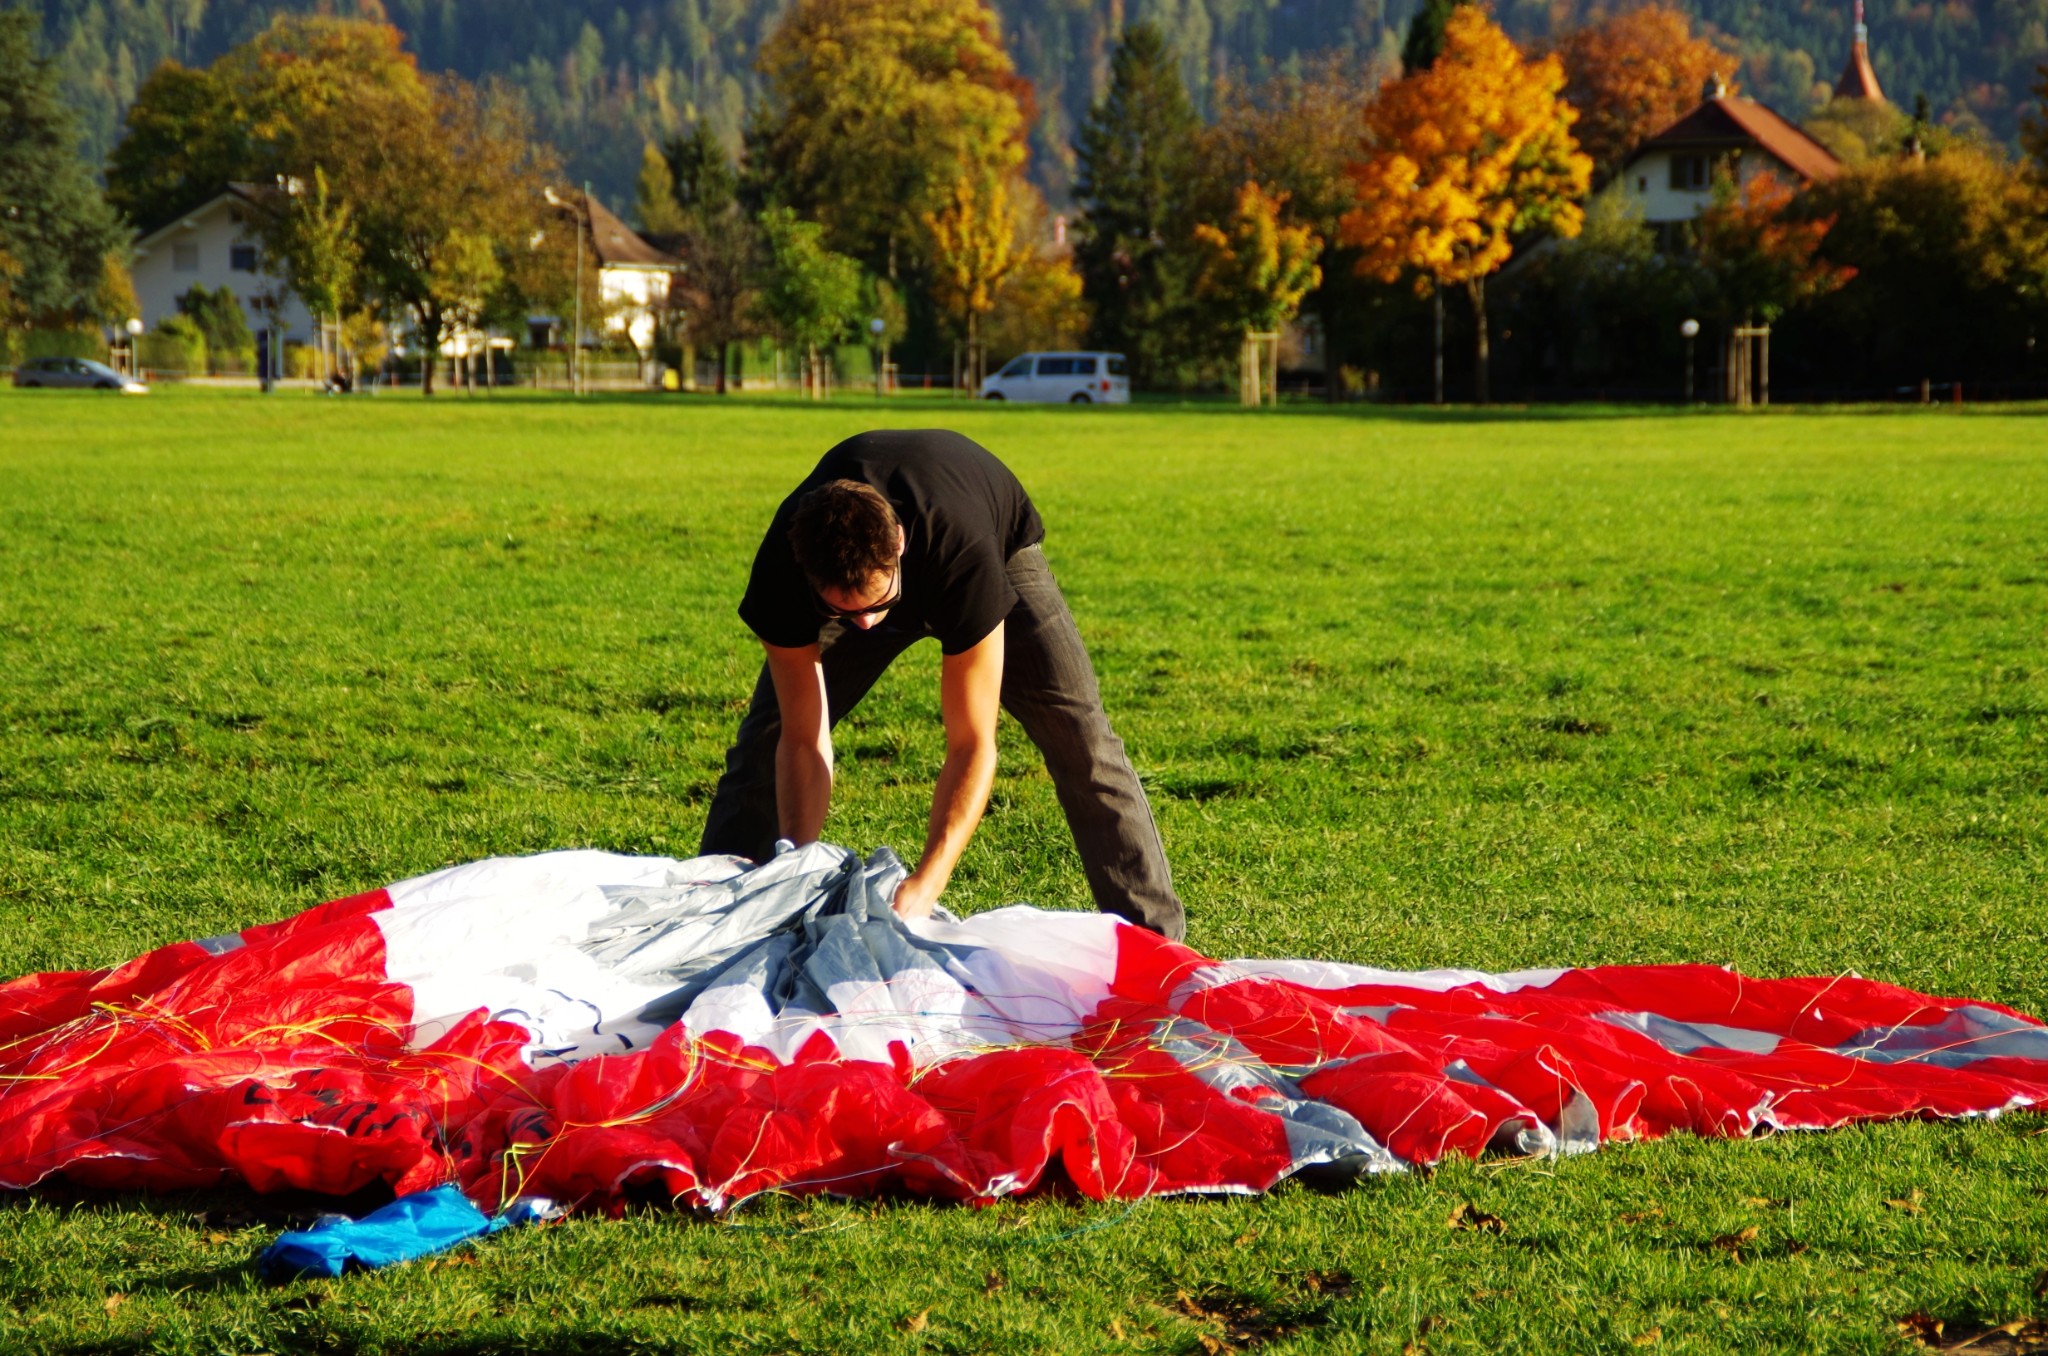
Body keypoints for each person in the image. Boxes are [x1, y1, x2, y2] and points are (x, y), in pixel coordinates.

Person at [700, 428, 1185, 939]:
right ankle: (717, 918)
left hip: (995, 547)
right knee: (764, 743)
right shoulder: (784, 572)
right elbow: (801, 739)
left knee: (1081, 740)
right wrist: (795, 870)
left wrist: (927, 884)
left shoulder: (961, 555)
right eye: (844, 611)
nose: (866, 626)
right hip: (868, 570)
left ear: (900, 545)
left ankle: (1155, 943)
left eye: (875, 606)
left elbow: (972, 742)